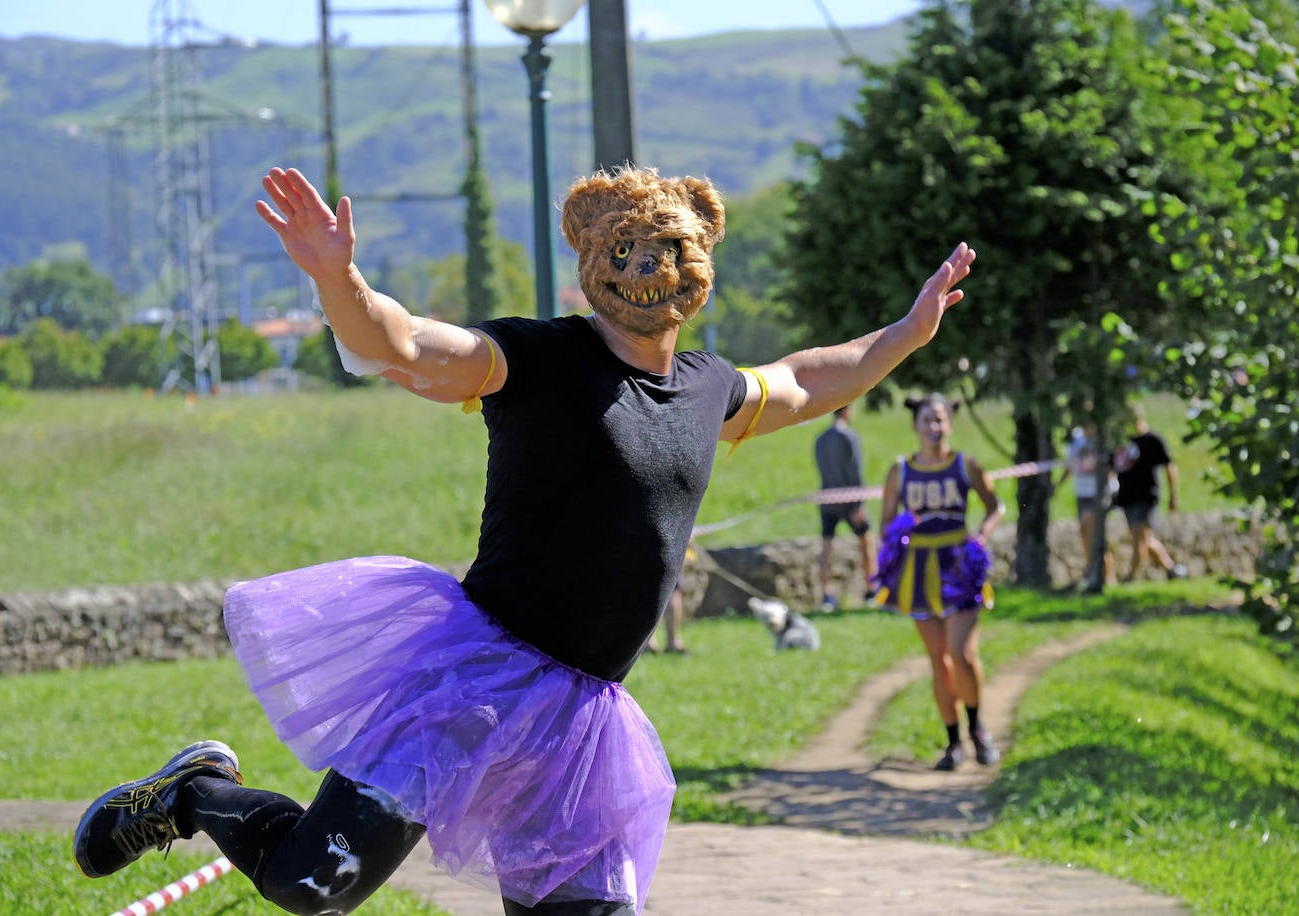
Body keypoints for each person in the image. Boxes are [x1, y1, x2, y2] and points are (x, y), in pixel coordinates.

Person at [72, 165, 976, 916]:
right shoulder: (535, 358)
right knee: (317, 883)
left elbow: (808, 380)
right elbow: (407, 346)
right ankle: (191, 792)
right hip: (471, 679)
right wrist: (336, 281)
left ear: (698, 261)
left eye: (667, 250)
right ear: (596, 258)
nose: (648, 265)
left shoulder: (709, 390)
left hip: (584, 722)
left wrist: (907, 331)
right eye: (627, 250)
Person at [873, 392, 1004, 772]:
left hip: (960, 567)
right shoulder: (900, 470)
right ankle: (952, 743)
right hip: (917, 571)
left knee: (962, 654)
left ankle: (978, 728)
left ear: (950, 425)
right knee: (939, 661)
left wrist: (980, 536)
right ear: (915, 426)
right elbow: (885, 523)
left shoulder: (966, 465)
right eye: (928, 420)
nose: (934, 426)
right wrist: (898, 530)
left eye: (941, 419)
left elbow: (996, 507)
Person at [1113, 403, 1187, 582]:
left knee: (1139, 538)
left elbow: (1169, 467)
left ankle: (1131, 578)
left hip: (1146, 496)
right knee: (1143, 538)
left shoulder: (1153, 440)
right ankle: (1171, 569)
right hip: (1127, 497)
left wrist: (1173, 495)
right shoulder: (1123, 442)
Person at [814, 404, 877, 609]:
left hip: (827, 499)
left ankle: (826, 595)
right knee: (867, 544)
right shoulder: (849, 437)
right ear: (848, 410)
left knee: (826, 547)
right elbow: (855, 470)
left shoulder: (821, 439)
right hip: (850, 501)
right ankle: (871, 591)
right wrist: (858, 504)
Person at [1054, 420, 1117, 587]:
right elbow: (1070, 463)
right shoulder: (1076, 437)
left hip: (1099, 491)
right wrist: (1058, 484)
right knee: (1084, 531)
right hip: (1082, 492)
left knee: (1095, 531)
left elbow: (1112, 464)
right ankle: (1093, 568)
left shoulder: (1102, 438)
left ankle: (1108, 575)